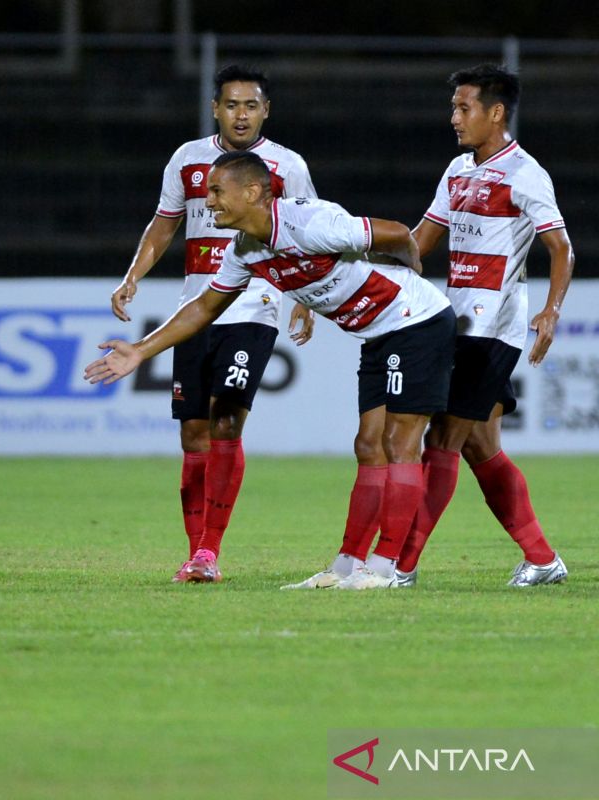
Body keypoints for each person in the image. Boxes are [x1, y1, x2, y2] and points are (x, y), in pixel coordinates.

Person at [85, 150, 457, 590]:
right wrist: (141, 352)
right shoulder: (245, 249)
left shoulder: (311, 222)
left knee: (399, 442)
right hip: (377, 334)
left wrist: (412, 271)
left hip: (418, 322)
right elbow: (204, 306)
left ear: (253, 192)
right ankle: (346, 566)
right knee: (367, 445)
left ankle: (386, 568)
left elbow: (395, 232)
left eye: (217, 191)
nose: (209, 203)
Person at [109, 65, 316, 584]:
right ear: (215, 109)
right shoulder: (187, 159)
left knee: (227, 420)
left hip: (254, 308)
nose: (241, 114)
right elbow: (164, 223)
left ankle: (209, 551)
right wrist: (133, 275)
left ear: (266, 110)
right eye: (231, 105)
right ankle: (195, 552)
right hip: (195, 307)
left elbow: (311, 232)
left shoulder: (286, 167)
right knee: (193, 434)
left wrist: (305, 298)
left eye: (251, 105)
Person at [392, 64, 575, 587]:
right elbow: (419, 241)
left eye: (463, 107)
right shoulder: (457, 171)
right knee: (480, 446)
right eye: (454, 107)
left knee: (442, 440)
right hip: (456, 325)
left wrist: (551, 309)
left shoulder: (525, 174)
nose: (454, 117)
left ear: (496, 113)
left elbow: (560, 246)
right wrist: (364, 269)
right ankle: (542, 559)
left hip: (494, 329)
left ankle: (401, 566)